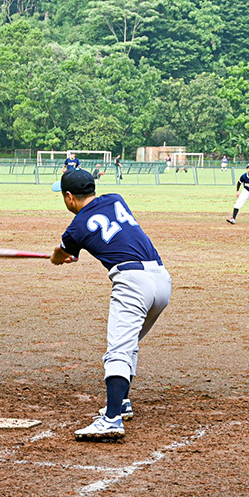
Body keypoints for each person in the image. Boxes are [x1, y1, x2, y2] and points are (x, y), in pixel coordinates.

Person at [50, 169, 171, 441]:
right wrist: (71, 252)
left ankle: (112, 419)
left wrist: (57, 257)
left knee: (118, 348)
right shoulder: (116, 198)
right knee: (129, 343)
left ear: (69, 197)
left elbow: (63, 252)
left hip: (132, 283)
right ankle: (123, 402)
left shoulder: (76, 226)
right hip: (161, 281)